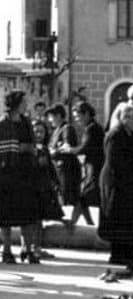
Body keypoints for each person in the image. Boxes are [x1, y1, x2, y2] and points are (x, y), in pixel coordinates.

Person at [99, 104, 133, 265]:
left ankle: (130, 251)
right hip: (116, 181)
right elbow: (114, 161)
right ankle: (118, 253)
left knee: (129, 217)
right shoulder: (115, 134)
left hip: (129, 181)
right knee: (117, 217)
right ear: (124, 119)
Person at [0, 90, 40, 264]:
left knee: (27, 212)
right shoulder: (3, 122)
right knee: (5, 214)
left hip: (26, 172)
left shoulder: (25, 122)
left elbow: (32, 143)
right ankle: (7, 250)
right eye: (24, 102)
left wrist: (30, 150)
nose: (27, 104)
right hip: (7, 172)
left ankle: (27, 248)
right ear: (16, 103)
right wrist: (19, 148)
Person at [61, 102, 105, 226]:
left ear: (86, 114)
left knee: (85, 196)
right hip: (92, 167)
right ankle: (89, 223)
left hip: (95, 168)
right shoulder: (93, 127)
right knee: (84, 197)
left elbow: (84, 148)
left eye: (78, 116)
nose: (76, 120)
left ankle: (73, 223)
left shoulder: (92, 128)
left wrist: (69, 149)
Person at [32, 119, 64, 259]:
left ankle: (37, 247)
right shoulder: (31, 149)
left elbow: (50, 168)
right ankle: (33, 247)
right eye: (36, 131)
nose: (39, 134)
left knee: (40, 220)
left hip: (44, 188)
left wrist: (56, 182)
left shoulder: (43, 148)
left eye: (42, 131)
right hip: (34, 188)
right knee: (34, 220)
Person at [46, 104, 81, 217]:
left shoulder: (67, 128)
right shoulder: (57, 130)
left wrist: (54, 151)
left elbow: (67, 146)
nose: (50, 120)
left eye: (51, 117)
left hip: (66, 169)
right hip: (58, 168)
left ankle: (69, 225)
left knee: (67, 196)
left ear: (59, 116)